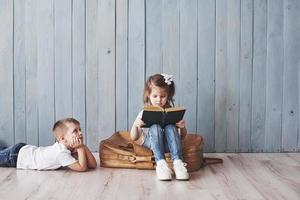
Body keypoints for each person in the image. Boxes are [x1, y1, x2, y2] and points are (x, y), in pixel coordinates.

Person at [130, 74, 189, 180]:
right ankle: (161, 164)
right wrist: (136, 126)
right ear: (148, 95)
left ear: (168, 96)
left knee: (170, 127)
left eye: (163, 96)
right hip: (152, 143)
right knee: (155, 127)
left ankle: (178, 163)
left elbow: (183, 137)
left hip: (168, 144)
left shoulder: (172, 112)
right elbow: (134, 137)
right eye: (155, 96)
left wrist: (182, 127)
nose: (159, 100)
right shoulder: (144, 112)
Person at [0, 118, 97, 172]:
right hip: (16, 156)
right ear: (62, 138)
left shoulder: (69, 148)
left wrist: (83, 146)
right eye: (75, 131)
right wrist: (80, 148)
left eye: (80, 129)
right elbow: (82, 168)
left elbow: (93, 165)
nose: (80, 133)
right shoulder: (61, 153)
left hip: (23, 150)